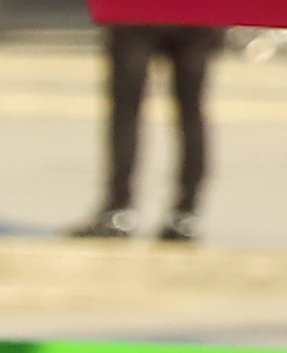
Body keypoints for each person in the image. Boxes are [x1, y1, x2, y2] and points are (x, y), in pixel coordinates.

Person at [68, 22, 220, 243]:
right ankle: (185, 214)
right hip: (196, 13)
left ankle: (119, 209)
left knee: (127, 109)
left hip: (138, 13)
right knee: (191, 109)